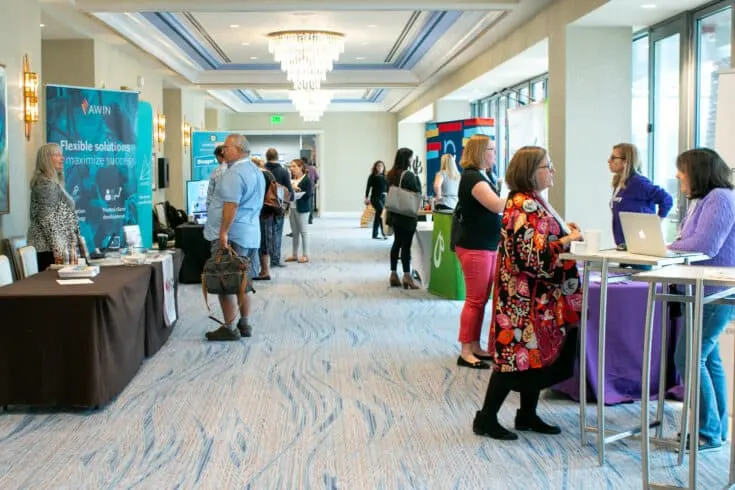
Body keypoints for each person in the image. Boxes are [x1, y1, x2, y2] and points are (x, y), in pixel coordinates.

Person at [473, 146, 583, 441]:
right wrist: (567, 241)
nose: (553, 171)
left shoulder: (533, 201)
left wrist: (562, 234)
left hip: (534, 297)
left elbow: (539, 240)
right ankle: (485, 418)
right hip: (522, 298)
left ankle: (527, 415)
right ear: (531, 171)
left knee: (533, 356)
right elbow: (531, 255)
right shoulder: (524, 204)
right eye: (548, 166)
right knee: (513, 358)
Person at [668, 148, 735, 451]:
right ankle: (717, 430)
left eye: (682, 172)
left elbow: (705, 245)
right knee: (708, 359)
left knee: (689, 358)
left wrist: (667, 249)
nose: (679, 178)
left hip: (713, 290)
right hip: (704, 289)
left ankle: (708, 431)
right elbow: (688, 242)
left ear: (698, 172)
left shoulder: (720, 198)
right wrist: (672, 246)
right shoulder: (706, 200)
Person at [203, 134, 265, 341]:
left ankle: (229, 327)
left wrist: (223, 233)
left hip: (233, 235)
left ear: (238, 149)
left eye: (227, 147)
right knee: (241, 280)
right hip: (249, 232)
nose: (223, 151)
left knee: (224, 280)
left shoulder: (234, 173)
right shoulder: (255, 171)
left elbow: (231, 205)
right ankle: (244, 323)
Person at [454, 135, 505, 369]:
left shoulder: (484, 175)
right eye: (491, 150)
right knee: (475, 300)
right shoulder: (473, 177)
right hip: (475, 246)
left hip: (486, 244)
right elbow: (495, 205)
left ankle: (474, 345)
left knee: (482, 300)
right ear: (480, 153)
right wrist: (518, 198)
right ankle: (465, 350)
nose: (494, 154)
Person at [28, 143, 80, 271]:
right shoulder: (45, 184)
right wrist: (59, 251)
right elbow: (48, 220)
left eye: (61, 155)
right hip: (48, 250)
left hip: (54, 248)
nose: (62, 158)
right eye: (57, 155)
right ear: (46, 159)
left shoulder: (52, 182)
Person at [609, 143, 673, 247]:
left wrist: (656, 223)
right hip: (625, 245)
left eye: (613, 158)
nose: (609, 161)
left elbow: (666, 199)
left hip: (641, 245)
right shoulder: (620, 183)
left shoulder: (638, 182)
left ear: (626, 161)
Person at [386, 148, 421, 289]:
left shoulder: (390, 174)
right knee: (406, 246)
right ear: (407, 159)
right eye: (411, 158)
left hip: (395, 214)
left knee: (397, 243)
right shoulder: (409, 175)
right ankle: (407, 276)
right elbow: (417, 192)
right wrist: (417, 175)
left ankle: (393, 274)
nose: (412, 160)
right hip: (407, 215)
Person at [264, 148, 293, 268]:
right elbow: (289, 190)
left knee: (264, 235)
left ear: (266, 157)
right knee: (277, 233)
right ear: (277, 157)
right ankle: (275, 260)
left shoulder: (261, 170)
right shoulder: (283, 171)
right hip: (278, 207)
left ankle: (263, 261)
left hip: (263, 208)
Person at [285, 159, 313, 263]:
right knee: (295, 233)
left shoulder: (306, 179)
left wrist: (297, 190)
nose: (291, 169)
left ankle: (306, 255)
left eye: (294, 166)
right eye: (291, 167)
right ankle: (294, 255)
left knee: (303, 232)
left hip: (302, 209)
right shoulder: (291, 179)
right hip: (292, 208)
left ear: (301, 167)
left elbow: (308, 195)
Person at [364, 160, 388, 240]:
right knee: (381, 213)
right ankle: (384, 233)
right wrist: (366, 198)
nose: (380, 167)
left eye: (382, 166)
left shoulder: (385, 176)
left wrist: (387, 193)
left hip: (383, 198)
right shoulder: (372, 176)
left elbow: (388, 187)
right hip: (375, 198)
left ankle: (374, 234)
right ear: (375, 167)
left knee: (378, 215)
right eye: (378, 166)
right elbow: (368, 187)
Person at [206, 145, 227, 209]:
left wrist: (208, 207)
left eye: (216, 157)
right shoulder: (234, 169)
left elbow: (210, 193)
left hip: (217, 208)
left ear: (219, 156)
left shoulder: (216, 172)